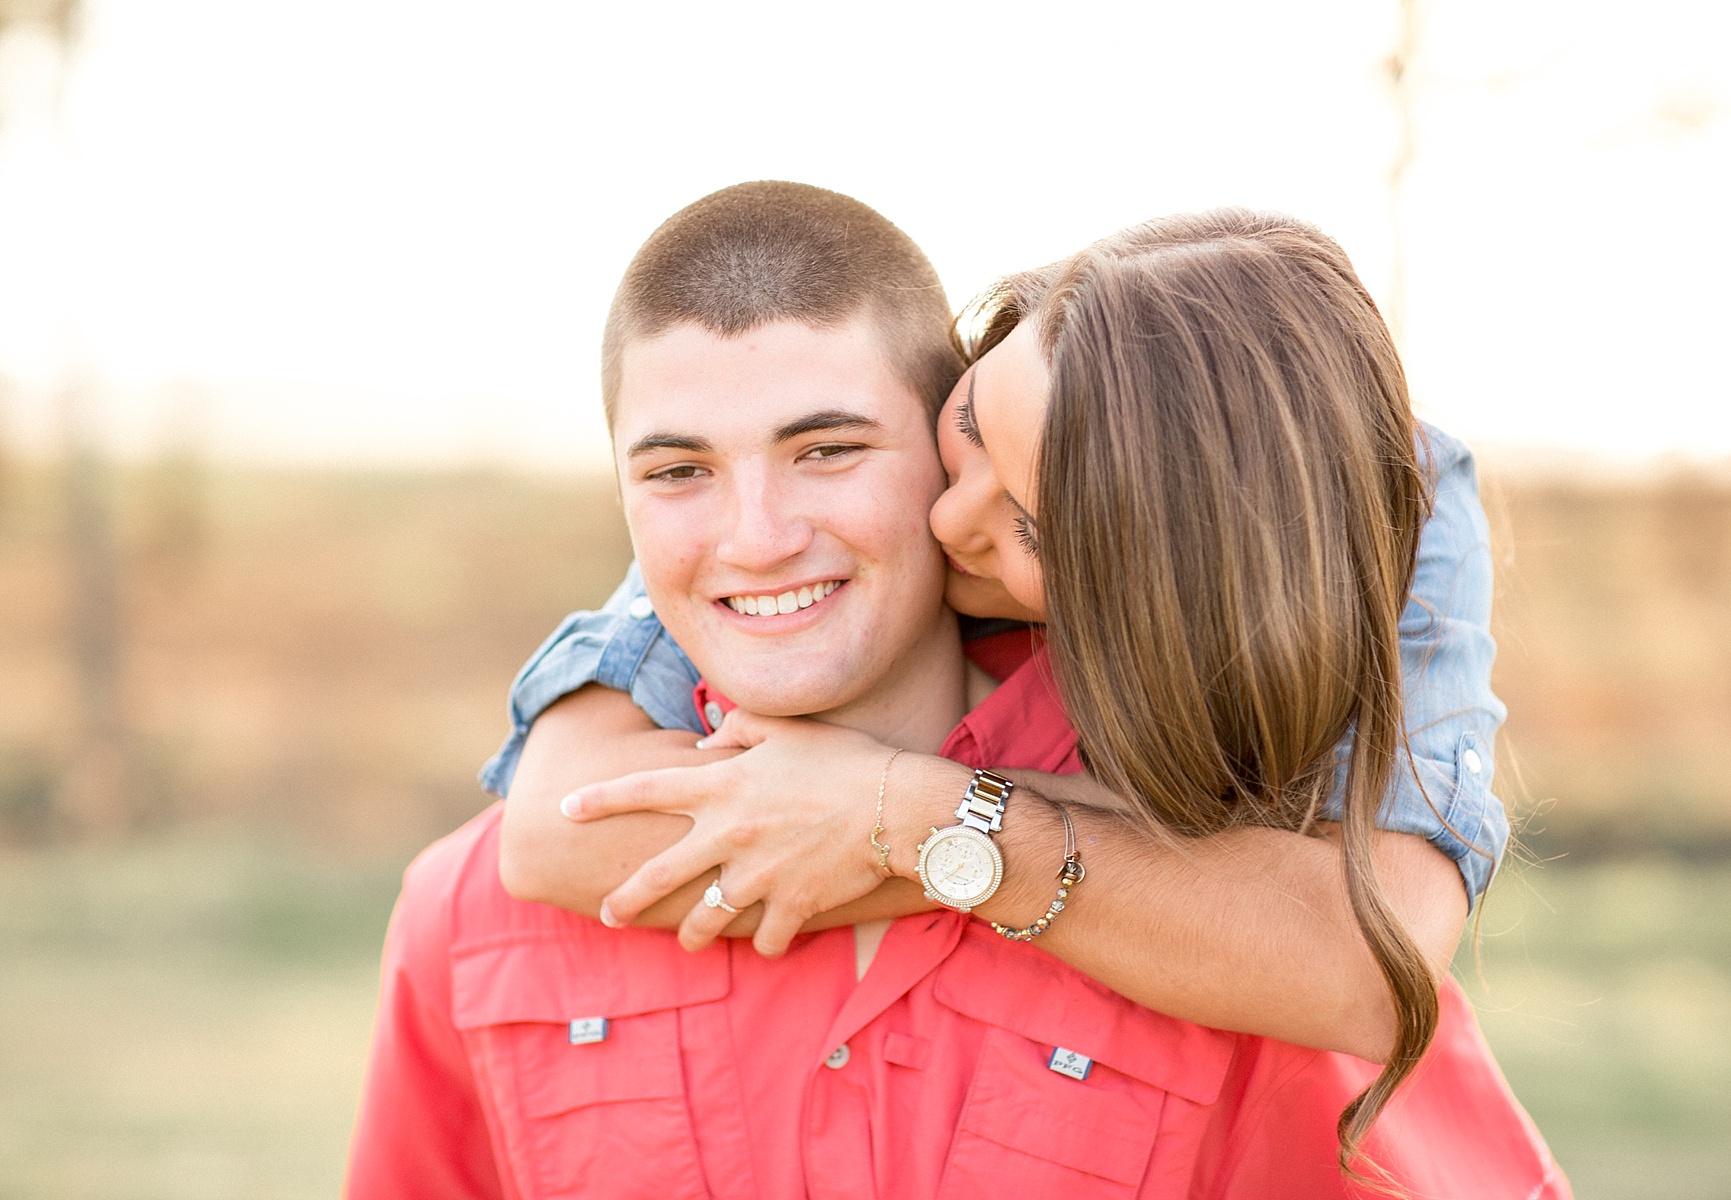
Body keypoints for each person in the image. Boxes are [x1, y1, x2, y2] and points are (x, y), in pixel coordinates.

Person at [347, 182, 1563, 1198]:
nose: (758, 536)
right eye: (677, 472)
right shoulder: (472, 913)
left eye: (831, 450)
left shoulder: (1243, 929)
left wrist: (914, 814)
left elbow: (1372, 970)